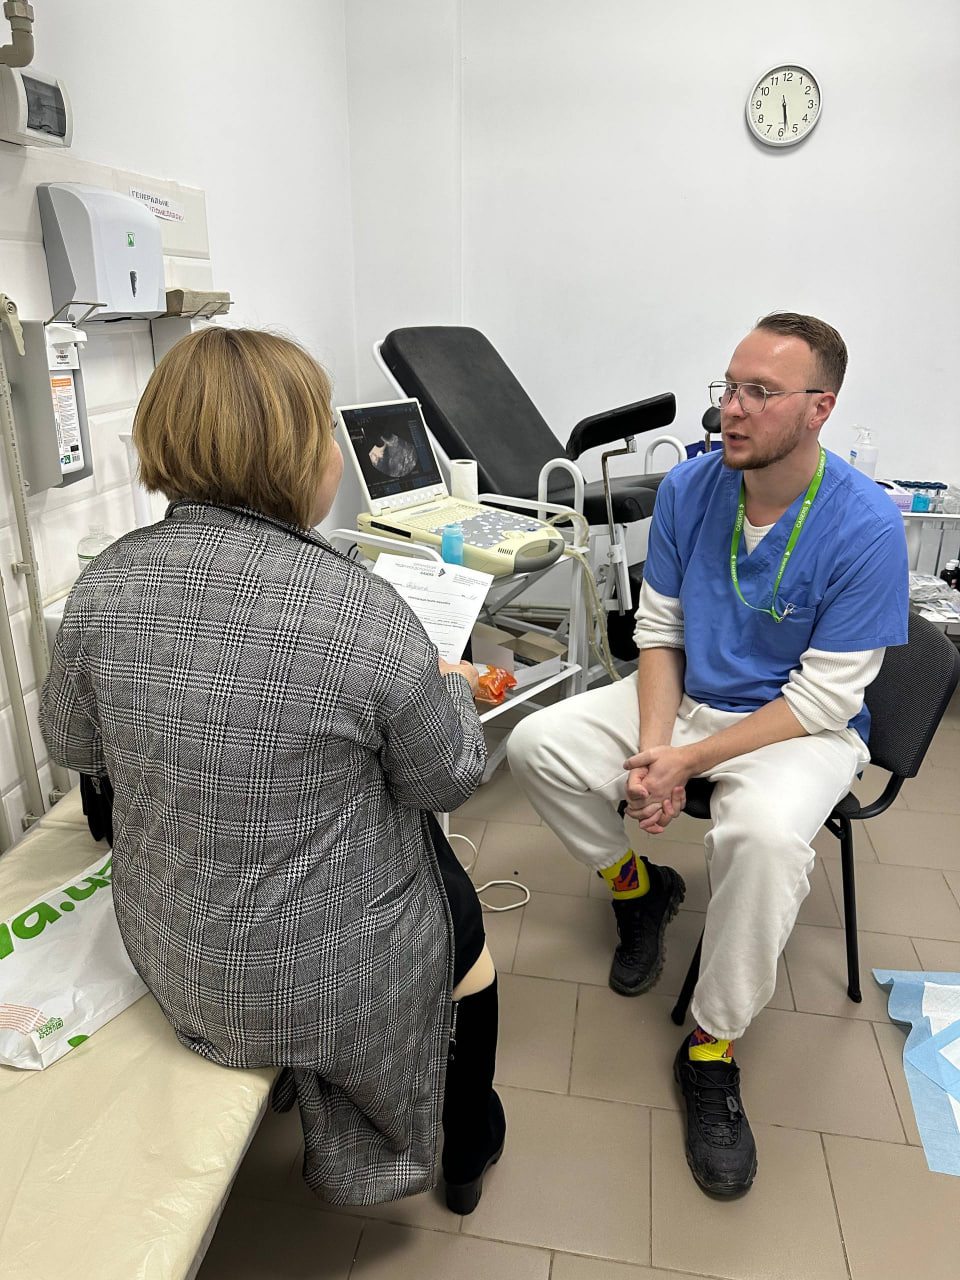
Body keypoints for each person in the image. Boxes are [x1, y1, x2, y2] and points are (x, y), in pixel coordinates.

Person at [38, 327, 506, 1213]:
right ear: (297, 453)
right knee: (464, 925)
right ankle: (468, 1142)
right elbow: (445, 779)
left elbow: (74, 746)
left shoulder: (106, 585)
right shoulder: (362, 609)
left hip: (176, 957)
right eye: (325, 428)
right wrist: (449, 686)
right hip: (325, 978)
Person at [507, 312, 908, 1197]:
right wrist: (657, 751)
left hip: (799, 729)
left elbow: (823, 698)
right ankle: (639, 889)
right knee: (537, 746)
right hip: (688, 698)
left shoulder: (867, 525)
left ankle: (711, 1046)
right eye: (729, 386)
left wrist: (689, 765)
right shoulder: (692, 488)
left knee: (761, 841)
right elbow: (659, 632)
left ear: (820, 408)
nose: (733, 408)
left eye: (761, 392)